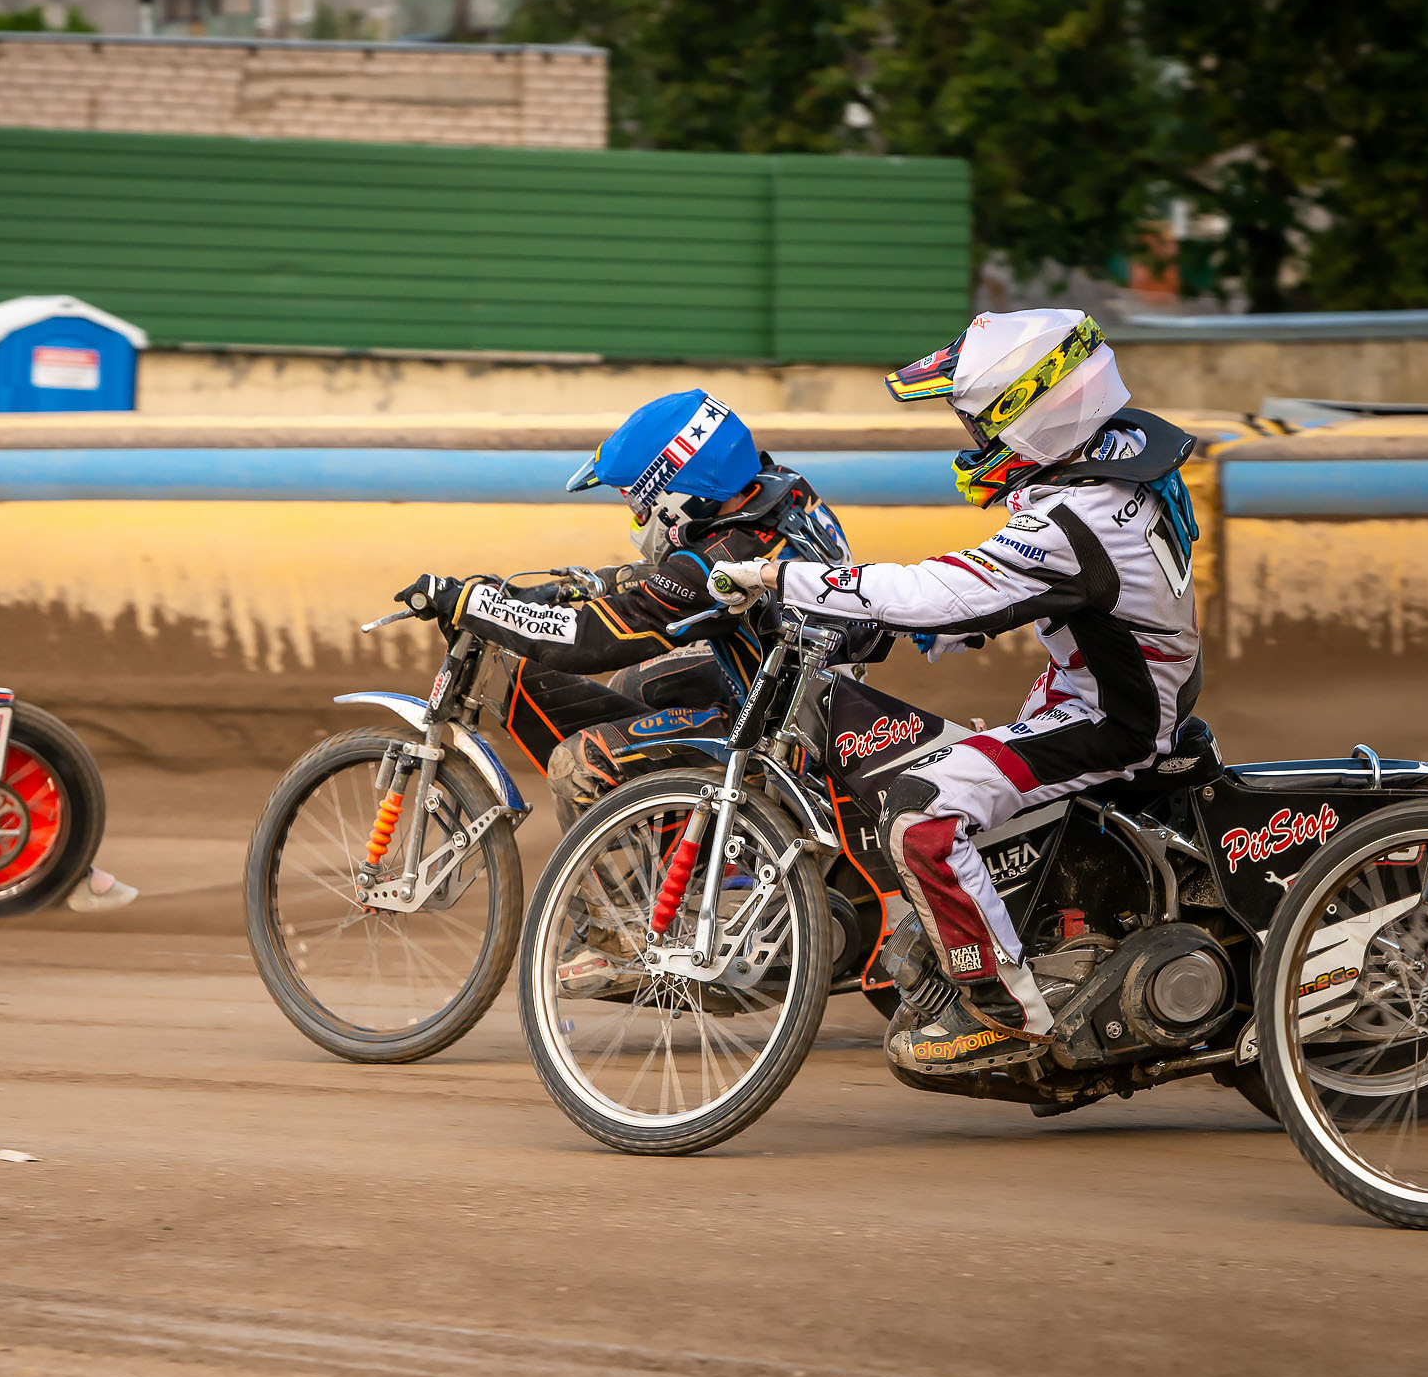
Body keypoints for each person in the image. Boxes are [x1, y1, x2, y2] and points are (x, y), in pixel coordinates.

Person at [711, 309, 1203, 1075]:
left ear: (1032, 411)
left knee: (920, 812)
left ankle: (1005, 1012)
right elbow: (1062, 593)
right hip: (1118, 693)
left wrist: (782, 575)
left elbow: (945, 587)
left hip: (1111, 722)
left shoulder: (1074, 515)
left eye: (978, 422)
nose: (973, 440)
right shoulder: (1118, 460)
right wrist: (957, 626)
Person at [392, 389, 858, 823]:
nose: (634, 515)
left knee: (577, 763)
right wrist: (584, 586)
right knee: (635, 686)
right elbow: (677, 586)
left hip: (778, 738)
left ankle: (615, 910)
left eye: (635, 500)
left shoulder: (719, 561)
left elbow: (594, 640)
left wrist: (478, 606)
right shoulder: (781, 493)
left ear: (677, 491)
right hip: (818, 693)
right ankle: (681, 838)